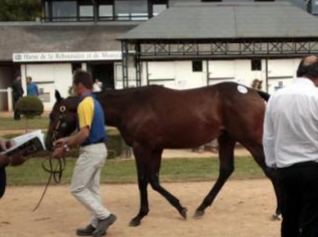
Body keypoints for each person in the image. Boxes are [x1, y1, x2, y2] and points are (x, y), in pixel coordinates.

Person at [52, 70, 116, 237]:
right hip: (100, 149)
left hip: (91, 151)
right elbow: (87, 131)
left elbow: (84, 134)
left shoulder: (84, 104)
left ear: (79, 85)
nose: (73, 89)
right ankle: (96, 225)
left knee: (77, 188)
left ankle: (105, 216)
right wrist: (66, 139)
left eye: (74, 85)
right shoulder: (94, 102)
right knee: (92, 189)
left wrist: (64, 149)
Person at [263, 55, 318, 237]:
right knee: (312, 223)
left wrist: (273, 165)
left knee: (289, 221)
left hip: (285, 170)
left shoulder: (276, 97)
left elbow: (269, 137)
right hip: (313, 169)